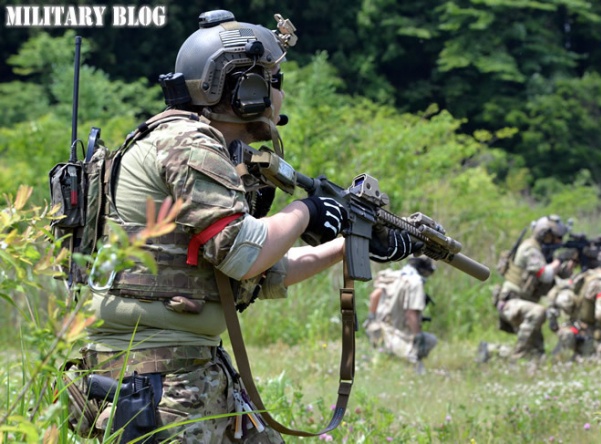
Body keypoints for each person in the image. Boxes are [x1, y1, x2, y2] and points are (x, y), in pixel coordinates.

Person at [69, 10, 418, 443]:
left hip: (178, 368)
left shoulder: (189, 141)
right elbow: (244, 254)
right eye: (274, 81)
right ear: (245, 88)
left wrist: (350, 244)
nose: (280, 95)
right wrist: (306, 212)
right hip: (159, 378)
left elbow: (262, 267)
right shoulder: (188, 144)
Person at [478, 215, 574, 362]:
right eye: (557, 237)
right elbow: (545, 275)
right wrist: (559, 260)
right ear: (545, 235)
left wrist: (570, 263)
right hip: (511, 302)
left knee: (535, 354)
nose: (559, 241)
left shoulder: (542, 251)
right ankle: (515, 358)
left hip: (525, 304)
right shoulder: (530, 249)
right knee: (539, 312)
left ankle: (491, 351)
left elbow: (562, 275)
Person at [546, 248, 601, 358]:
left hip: (572, 328)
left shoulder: (586, 275)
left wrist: (553, 322)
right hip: (588, 336)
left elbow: (554, 293)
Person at [364, 256, 438, 374]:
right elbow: (411, 315)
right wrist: (418, 336)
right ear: (423, 269)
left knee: (380, 359)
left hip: (379, 329)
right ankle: (413, 369)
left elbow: (374, 296)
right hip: (395, 335)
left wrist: (372, 319)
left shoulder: (393, 276)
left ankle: (382, 360)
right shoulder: (415, 283)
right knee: (430, 340)